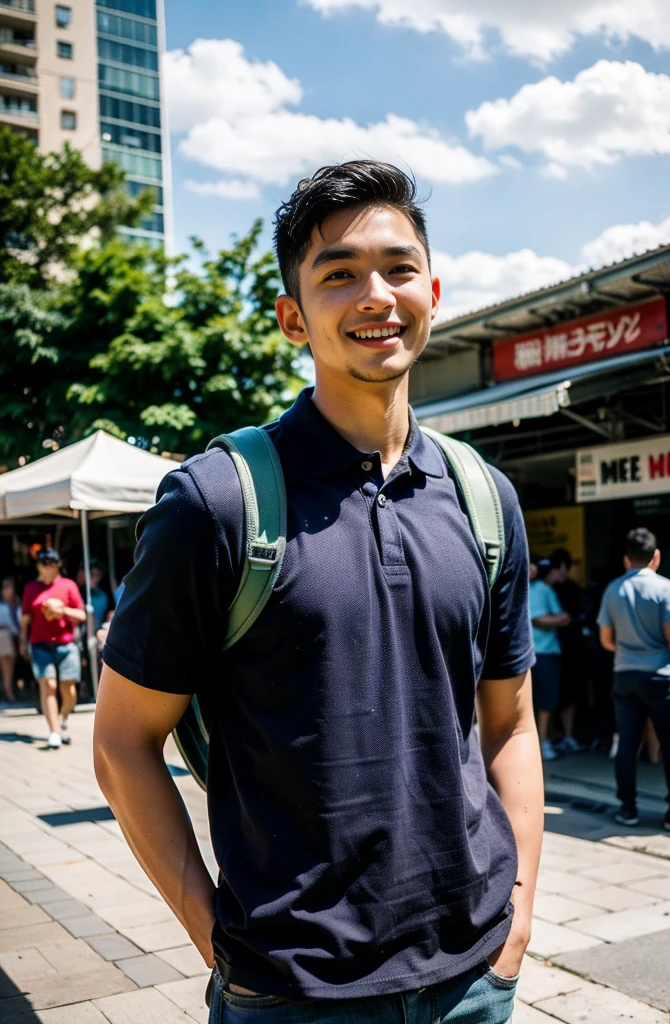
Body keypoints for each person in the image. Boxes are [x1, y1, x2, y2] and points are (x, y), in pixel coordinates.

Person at [94, 160, 542, 1024]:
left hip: (475, 983)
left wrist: (516, 912)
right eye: (339, 274)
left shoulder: (485, 498)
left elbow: (511, 722)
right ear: (293, 318)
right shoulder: (217, 503)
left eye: (399, 267)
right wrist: (218, 938)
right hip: (292, 996)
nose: (376, 293)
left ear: (433, 291)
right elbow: (121, 744)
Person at [598, 527, 670, 831]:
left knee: (628, 744)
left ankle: (628, 809)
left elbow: (606, 639)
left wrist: (628, 650)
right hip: (660, 675)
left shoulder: (613, 589)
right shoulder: (667, 589)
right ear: (656, 557)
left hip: (624, 674)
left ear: (625, 559)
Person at [20, 548, 86, 749]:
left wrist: (62, 610)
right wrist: (22, 642)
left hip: (66, 644)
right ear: (39, 566)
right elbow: (25, 619)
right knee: (48, 686)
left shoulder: (68, 585)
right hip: (40, 645)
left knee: (69, 690)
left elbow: (82, 616)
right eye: (43, 564)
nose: (47, 568)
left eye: (51, 564)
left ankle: (62, 717)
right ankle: (54, 731)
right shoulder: (31, 588)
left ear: (58, 565)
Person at [529, 558, 570, 761]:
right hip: (542, 652)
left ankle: (543, 741)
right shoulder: (540, 590)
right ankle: (541, 744)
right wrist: (563, 618)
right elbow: (538, 618)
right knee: (544, 703)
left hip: (536, 652)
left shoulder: (533, 589)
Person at [547, 549, 587, 753]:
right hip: (553, 650)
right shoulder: (544, 589)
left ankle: (566, 735)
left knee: (568, 694)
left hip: (568, 650)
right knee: (550, 697)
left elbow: (569, 618)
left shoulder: (570, 589)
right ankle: (554, 735)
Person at [0, 576, 19, 703]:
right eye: (6, 587)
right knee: (6, 666)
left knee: (11, 665)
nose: (8, 590)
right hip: (4, 636)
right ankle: (8, 691)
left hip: (15, 637)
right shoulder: (1, 606)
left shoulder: (17, 603)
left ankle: (8, 689)